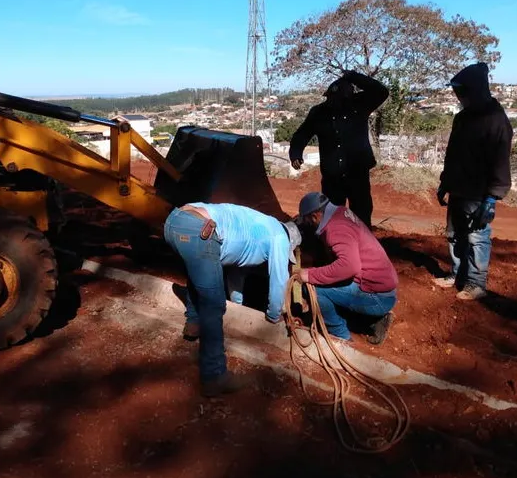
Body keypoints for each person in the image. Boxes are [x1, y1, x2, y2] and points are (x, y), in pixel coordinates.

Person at [163, 202, 302, 397]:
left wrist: (237, 304)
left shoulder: (261, 226)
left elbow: (237, 272)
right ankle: (214, 376)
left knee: (200, 267)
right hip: (200, 230)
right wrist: (274, 315)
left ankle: (193, 323)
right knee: (214, 305)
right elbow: (279, 280)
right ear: (291, 242)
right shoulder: (280, 238)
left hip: (174, 221)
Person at [434, 62, 513, 300]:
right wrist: (445, 183)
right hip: (458, 187)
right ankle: (457, 274)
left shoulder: (496, 121)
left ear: (476, 90)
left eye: (462, 92)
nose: (459, 97)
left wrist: (492, 198)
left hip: (479, 193)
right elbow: (452, 154)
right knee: (454, 235)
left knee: (477, 237)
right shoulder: (462, 118)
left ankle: (476, 283)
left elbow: (501, 162)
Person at [289, 69, 389, 230]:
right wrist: (295, 153)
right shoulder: (319, 112)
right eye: (331, 99)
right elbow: (301, 134)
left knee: (361, 214)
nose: (335, 103)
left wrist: (353, 76)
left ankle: (363, 246)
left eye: (340, 98)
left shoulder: (360, 104)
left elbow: (381, 91)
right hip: (332, 176)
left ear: (349, 96)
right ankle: (333, 247)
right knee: (331, 216)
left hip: (357, 173)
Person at [295, 192, 398, 344]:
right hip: (382, 288)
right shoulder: (340, 212)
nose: (307, 223)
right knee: (327, 280)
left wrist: (308, 275)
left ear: (316, 215)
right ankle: (375, 321)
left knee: (313, 290)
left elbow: (349, 267)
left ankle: (340, 336)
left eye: (308, 219)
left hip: (377, 297)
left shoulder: (336, 229)